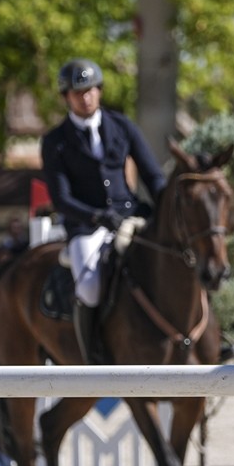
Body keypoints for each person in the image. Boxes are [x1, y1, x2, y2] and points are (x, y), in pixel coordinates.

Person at [40, 58, 167, 362]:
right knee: (90, 286)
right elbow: (61, 199)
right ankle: (93, 352)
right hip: (87, 225)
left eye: (91, 90)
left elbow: (153, 175)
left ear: (99, 91)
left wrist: (165, 207)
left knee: (176, 259)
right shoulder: (55, 142)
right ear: (66, 98)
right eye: (77, 92)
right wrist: (96, 217)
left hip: (130, 214)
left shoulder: (122, 126)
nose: (86, 97)